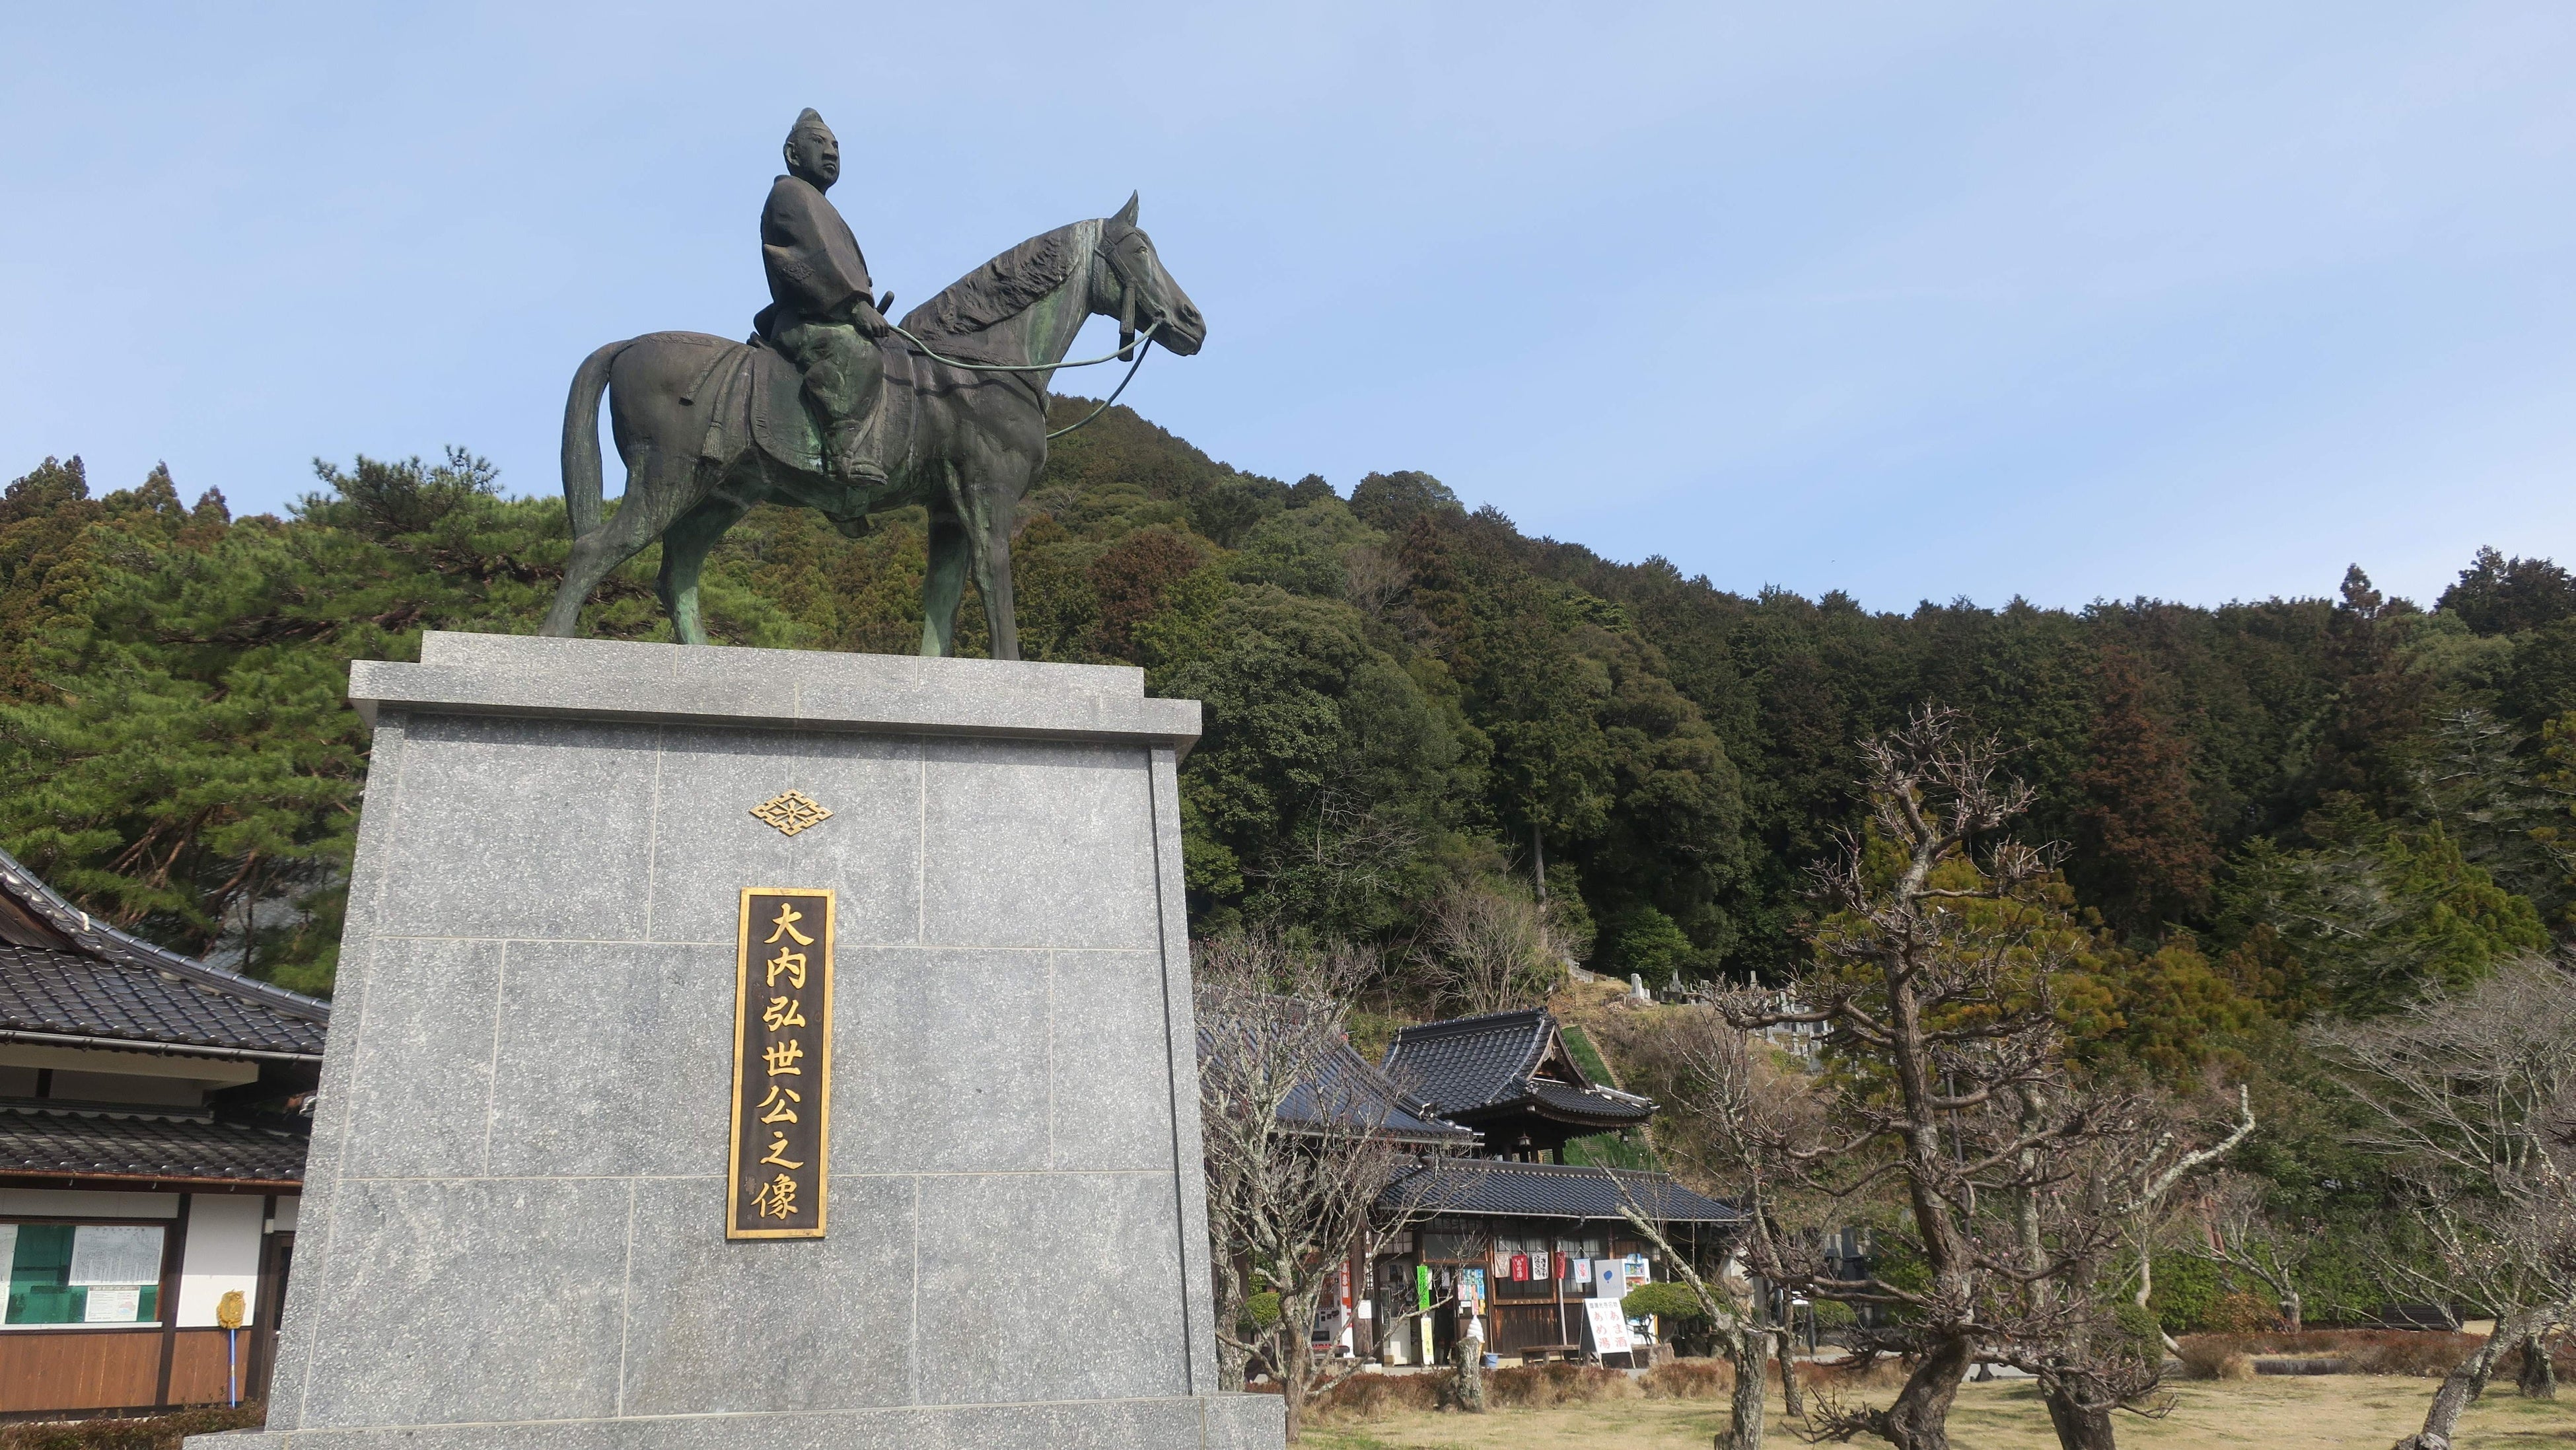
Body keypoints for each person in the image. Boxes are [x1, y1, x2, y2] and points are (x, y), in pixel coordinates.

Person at [753, 109, 888, 484]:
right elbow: (806, 258)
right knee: (859, 355)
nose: (831, 152)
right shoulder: (788, 194)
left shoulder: (821, 205)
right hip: (806, 321)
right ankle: (844, 452)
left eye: (835, 146)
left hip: (828, 315)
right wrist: (854, 305)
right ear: (793, 154)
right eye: (819, 143)